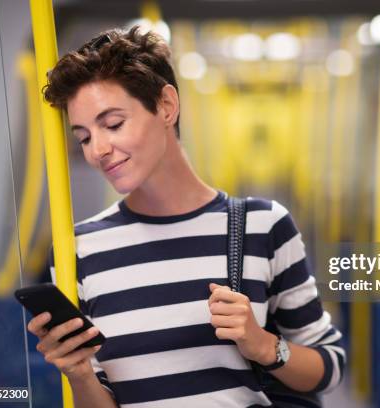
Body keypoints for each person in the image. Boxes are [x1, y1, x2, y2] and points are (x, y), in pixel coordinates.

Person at [27, 26, 345, 408]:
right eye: (84, 136)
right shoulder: (76, 250)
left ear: (166, 106)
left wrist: (262, 345)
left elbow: (329, 367)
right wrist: (78, 373)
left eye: (112, 125)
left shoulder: (265, 226)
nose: (99, 150)